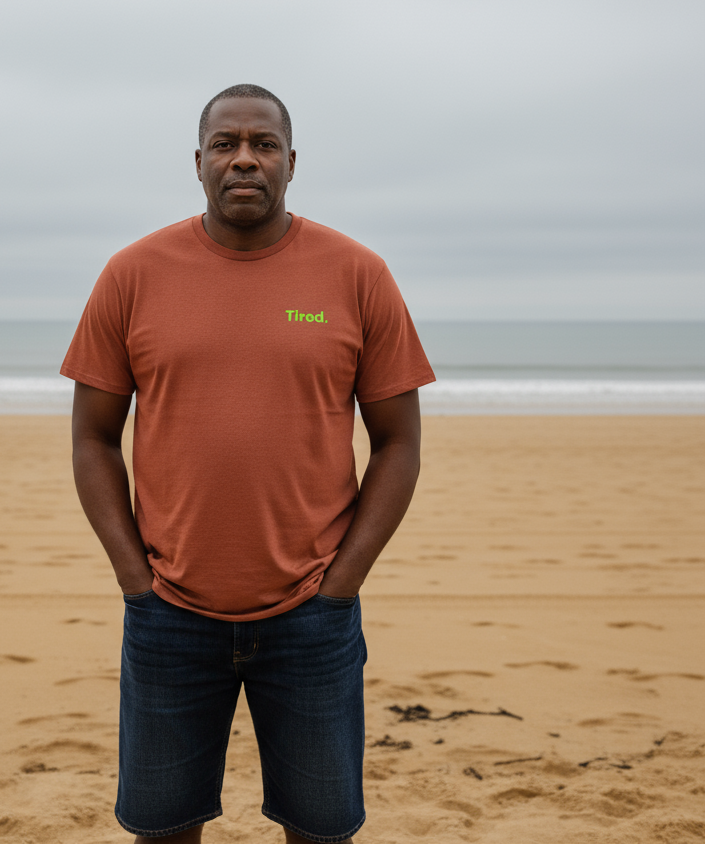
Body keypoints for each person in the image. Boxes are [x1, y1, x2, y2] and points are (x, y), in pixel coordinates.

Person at [61, 84, 434, 843]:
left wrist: (342, 587)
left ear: (291, 164)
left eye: (263, 145)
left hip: (313, 618)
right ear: (197, 162)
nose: (244, 159)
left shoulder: (358, 274)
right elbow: (93, 438)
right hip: (168, 614)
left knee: (322, 829)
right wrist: (136, 580)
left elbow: (398, 442)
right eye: (226, 144)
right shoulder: (132, 274)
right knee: (162, 828)